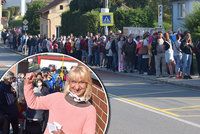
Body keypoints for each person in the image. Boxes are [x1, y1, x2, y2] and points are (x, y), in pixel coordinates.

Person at [24, 65, 96, 134]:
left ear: (87, 84)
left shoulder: (89, 110)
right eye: (74, 82)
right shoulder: (57, 97)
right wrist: (28, 83)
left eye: (82, 82)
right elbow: (33, 103)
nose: (77, 87)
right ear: (69, 83)